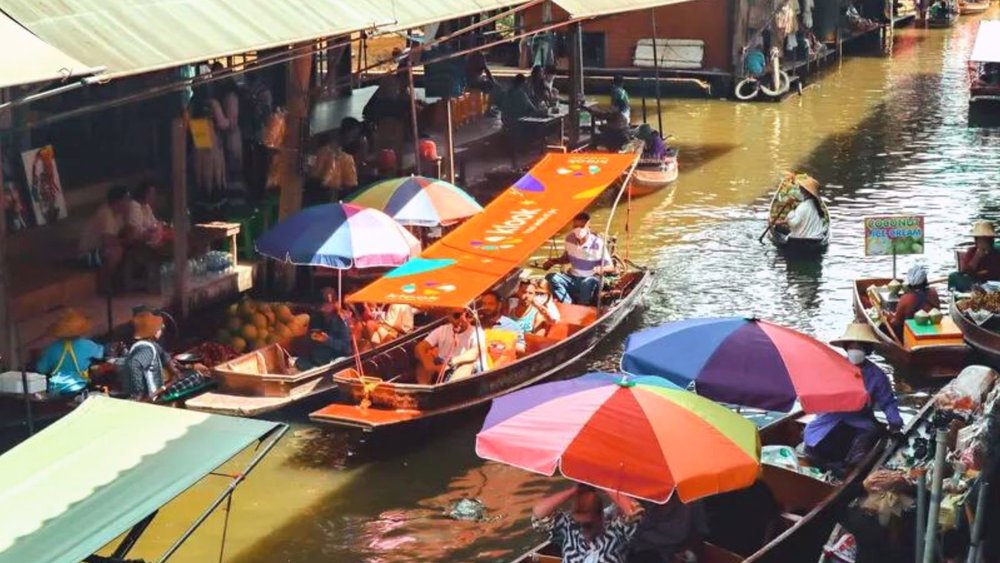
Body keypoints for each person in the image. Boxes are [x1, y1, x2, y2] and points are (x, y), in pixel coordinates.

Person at [804, 323, 904, 474]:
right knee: (813, 445)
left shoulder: (876, 376)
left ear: (867, 349)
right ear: (846, 347)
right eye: (851, 346)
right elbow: (818, 396)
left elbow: (888, 402)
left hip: (860, 423)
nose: (855, 350)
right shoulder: (833, 367)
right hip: (830, 420)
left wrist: (895, 424)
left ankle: (846, 470)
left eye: (859, 346)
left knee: (858, 458)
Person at [532, 484, 643, 563]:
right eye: (578, 514)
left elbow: (634, 512)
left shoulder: (615, 533)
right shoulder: (569, 527)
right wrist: (573, 491)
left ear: (600, 516)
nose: (582, 527)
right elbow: (539, 513)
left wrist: (605, 484)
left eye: (587, 521)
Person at [544, 212, 615, 306]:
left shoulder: (597, 243)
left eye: (582, 226)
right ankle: (568, 304)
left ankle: (583, 305)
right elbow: (567, 258)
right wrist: (553, 261)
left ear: (588, 227)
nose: (578, 229)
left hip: (590, 278)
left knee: (587, 282)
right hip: (572, 278)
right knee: (551, 277)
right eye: (575, 226)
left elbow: (611, 267)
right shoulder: (569, 238)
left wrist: (601, 269)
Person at [36, 309, 104, 396]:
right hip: (80, 387)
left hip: (56, 390)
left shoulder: (51, 349)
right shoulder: (87, 345)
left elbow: (41, 369)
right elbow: (100, 354)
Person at [79, 186, 130, 292]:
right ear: (118, 201)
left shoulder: (119, 215)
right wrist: (125, 241)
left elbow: (125, 233)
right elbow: (108, 241)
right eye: (126, 199)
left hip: (100, 251)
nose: (128, 203)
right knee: (115, 251)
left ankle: (121, 284)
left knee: (122, 250)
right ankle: (103, 286)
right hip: (87, 255)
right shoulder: (105, 212)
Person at [414, 309, 486, 384]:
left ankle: (451, 391)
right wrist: (428, 365)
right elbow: (420, 347)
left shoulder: (477, 332)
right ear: (449, 317)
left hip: (460, 366)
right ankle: (424, 391)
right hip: (442, 365)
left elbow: (475, 352)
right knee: (425, 359)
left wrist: (450, 363)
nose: (463, 320)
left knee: (466, 366)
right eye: (457, 316)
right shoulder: (442, 330)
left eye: (467, 315)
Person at [629, 496, 708, 563]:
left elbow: (700, 533)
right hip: (642, 549)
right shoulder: (641, 496)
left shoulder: (692, 500)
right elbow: (633, 530)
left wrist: (686, 551)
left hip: (676, 551)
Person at [121, 309, 176, 401]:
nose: (161, 330)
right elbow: (134, 364)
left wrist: (174, 370)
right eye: (159, 328)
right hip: (151, 397)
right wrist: (139, 392)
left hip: (157, 392)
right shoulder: (146, 349)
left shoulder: (152, 344)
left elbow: (164, 355)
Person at [296, 288, 354, 370]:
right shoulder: (315, 318)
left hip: (334, 359)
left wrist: (327, 340)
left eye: (328, 305)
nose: (325, 308)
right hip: (316, 358)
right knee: (299, 362)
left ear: (334, 304)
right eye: (323, 305)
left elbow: (346, 348)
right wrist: (311, 337)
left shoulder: (341, 320)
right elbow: (309, 340)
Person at [886, 264, 940, 338]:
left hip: (911, 335)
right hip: (933, 331)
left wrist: (888, 317)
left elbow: (897, 323)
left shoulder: (906, 298)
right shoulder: (933, 292)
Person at [774, 176, 825, 240]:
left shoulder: (803, 206)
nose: (800, 191)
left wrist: (790, 213)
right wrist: (784, 221)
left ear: (807, 193)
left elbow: (793, 223)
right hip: (817, 238)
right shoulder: (816, 204)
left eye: (801, 190)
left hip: (802, 239)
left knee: (778, 228)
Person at [501, 74, 544, 141]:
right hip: (517, 122)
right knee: (539, 124)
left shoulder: (507, 92)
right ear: (523, 83)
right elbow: (533, 109)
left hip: (505, 120)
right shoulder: (521, 94)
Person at [125, 181, 166, 246]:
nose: (153, 196)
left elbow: (155, 223)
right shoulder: (134, 205)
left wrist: (156, 229)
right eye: (151, 193)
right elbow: (136, 231)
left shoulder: (146, 206)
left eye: (154, 194)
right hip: (137, 245)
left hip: (149, 241)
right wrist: (151, 232)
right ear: (143, 193)